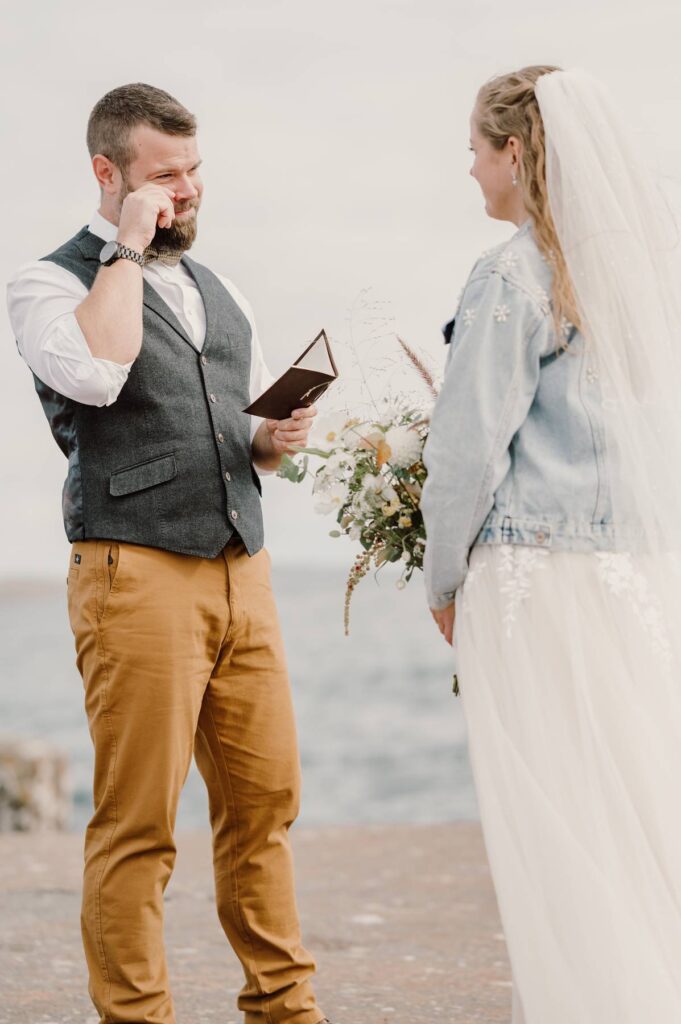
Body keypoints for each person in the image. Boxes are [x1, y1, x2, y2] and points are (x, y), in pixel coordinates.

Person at [7, 83, 332, 1024]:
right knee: (138, 824)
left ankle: (284, 1007)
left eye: (194, 174)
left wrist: (273, 435)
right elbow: (99, 373)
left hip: (244, 567)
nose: (186, 192)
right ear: (107, 175)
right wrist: (127, 247)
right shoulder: (49, 280)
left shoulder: (216, 287)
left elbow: (238, 425)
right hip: (131, 572)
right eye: (164, 177)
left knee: (265, 805)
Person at [421, 65, 681, 1022]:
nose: (473, 174)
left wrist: (441, 579)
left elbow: (465, 451)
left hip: (534, 574)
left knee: (558, 818)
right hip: (636, 570)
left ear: (517, 152)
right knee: (636, 801)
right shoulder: (641, 280)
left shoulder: (511, 275)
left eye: (476, 154)